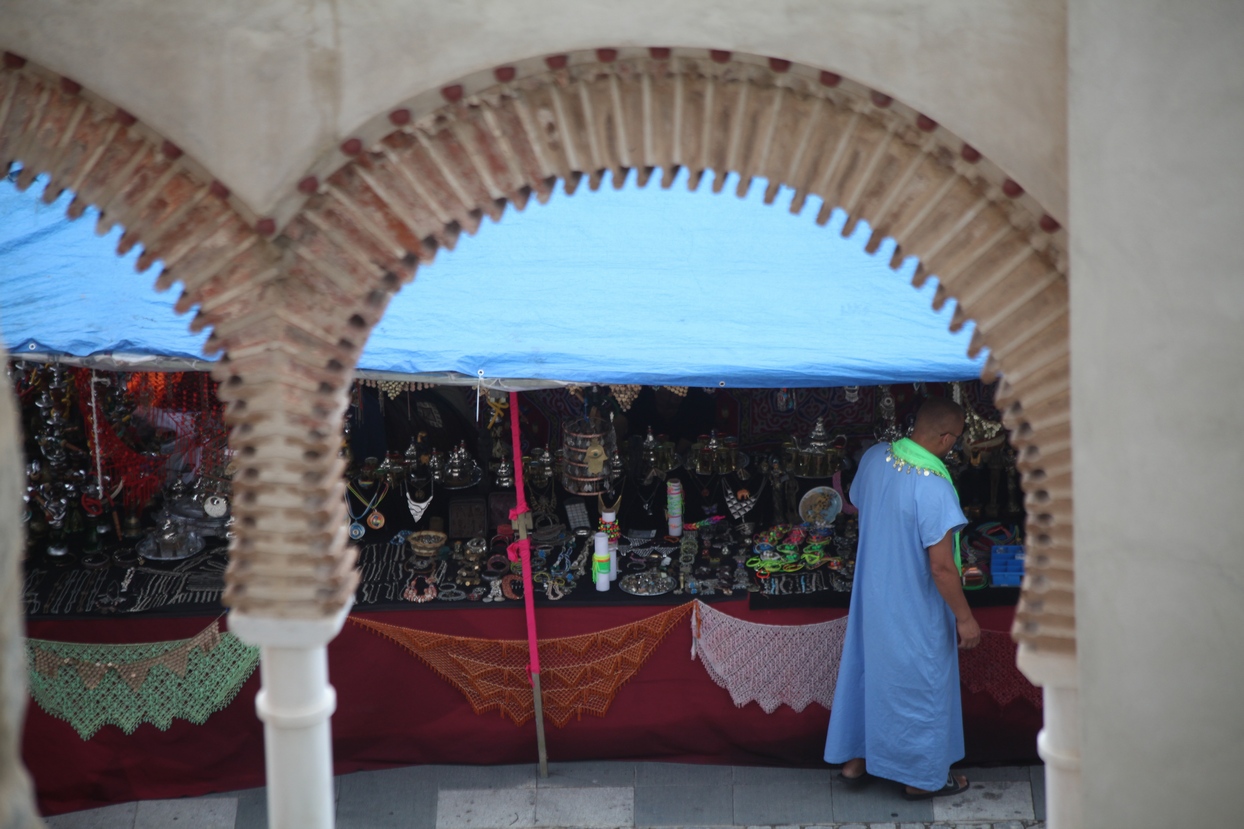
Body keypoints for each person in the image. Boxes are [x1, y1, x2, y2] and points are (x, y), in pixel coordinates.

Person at [823, 396, 980, 800]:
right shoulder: (934, 486)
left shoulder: (876, 457)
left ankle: (856, 760)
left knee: (868, 673)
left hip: (873, 596)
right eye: (957, 440)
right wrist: (964, 617)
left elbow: (856, 502)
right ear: (946, 437)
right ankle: (920, 777)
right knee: (919, 687)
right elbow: (942, 568)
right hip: (916, 605)